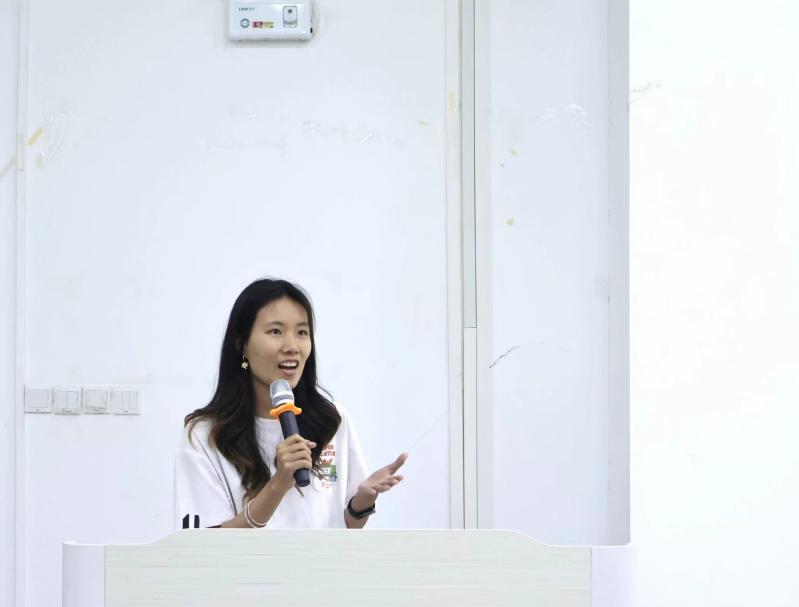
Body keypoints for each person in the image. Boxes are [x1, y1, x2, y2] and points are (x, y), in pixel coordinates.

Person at [174, 278, 407, 529]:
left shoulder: (333, 420)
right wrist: (278, 484)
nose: (292, 347)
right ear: (242, 344)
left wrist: (361, 504)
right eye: (275, 331)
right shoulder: (206, 434)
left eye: (302, 332)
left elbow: (347, 526)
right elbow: (203, 545)